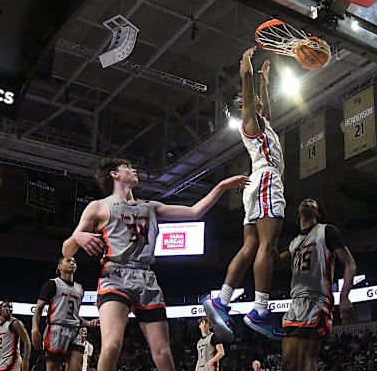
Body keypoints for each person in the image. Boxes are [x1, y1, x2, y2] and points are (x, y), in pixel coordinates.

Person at [62, 157, 248, 371]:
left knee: (162, 352)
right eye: (127, 167)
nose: (134, 170)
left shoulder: (150, 206)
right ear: (114, 174)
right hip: (115, 275)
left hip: (146, 277)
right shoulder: (99, 207)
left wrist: (222, 185)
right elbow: (67, 250)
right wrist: (80, 237)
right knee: (112, 345)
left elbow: (195, 212)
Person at [203, 47, 286, 342]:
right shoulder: (248, 120)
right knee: (266, 246)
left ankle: (221, 301)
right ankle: (259, 311)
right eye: (246, 100)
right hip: (266, 181)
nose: (250, 101)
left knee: (250, 246)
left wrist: (265, 82)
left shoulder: (260, 124)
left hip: (255, 185)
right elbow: (247, 91)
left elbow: (268, 111)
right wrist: (246, 68)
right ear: (242, 105)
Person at [275, 198, 357, 371]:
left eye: (313, 202)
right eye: (304, 201)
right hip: (295, 302)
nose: (307, 201)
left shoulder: (326, 231)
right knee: (287, 364)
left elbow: (350, 264)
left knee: (306, 361)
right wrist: (267, 238)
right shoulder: (294, 242)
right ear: (298, 215)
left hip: (317, 300)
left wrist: (344, 296)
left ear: (318, 214)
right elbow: (275, 263)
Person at [31, 257, 98, 371]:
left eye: (74, 261)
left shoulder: (80, 288)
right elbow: (38, 309)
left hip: (75, 330)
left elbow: (74, 314)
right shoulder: (52, 284)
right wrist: (35, 329)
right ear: (59, 267)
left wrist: (88, 323)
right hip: (57, 330)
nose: (72, 263)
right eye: (68, 261)